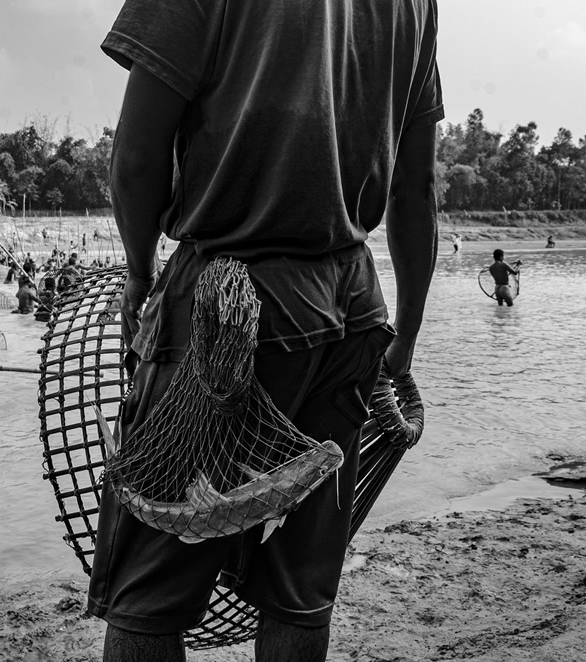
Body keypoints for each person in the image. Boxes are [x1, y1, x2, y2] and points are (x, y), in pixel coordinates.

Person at [88, 1, 443, 660]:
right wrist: (406, 333)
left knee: (149, 591)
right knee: (301, 592)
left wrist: (140, 274)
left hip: (234, 304)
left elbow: (137, 158)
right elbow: (415, 186)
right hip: (353, 307)